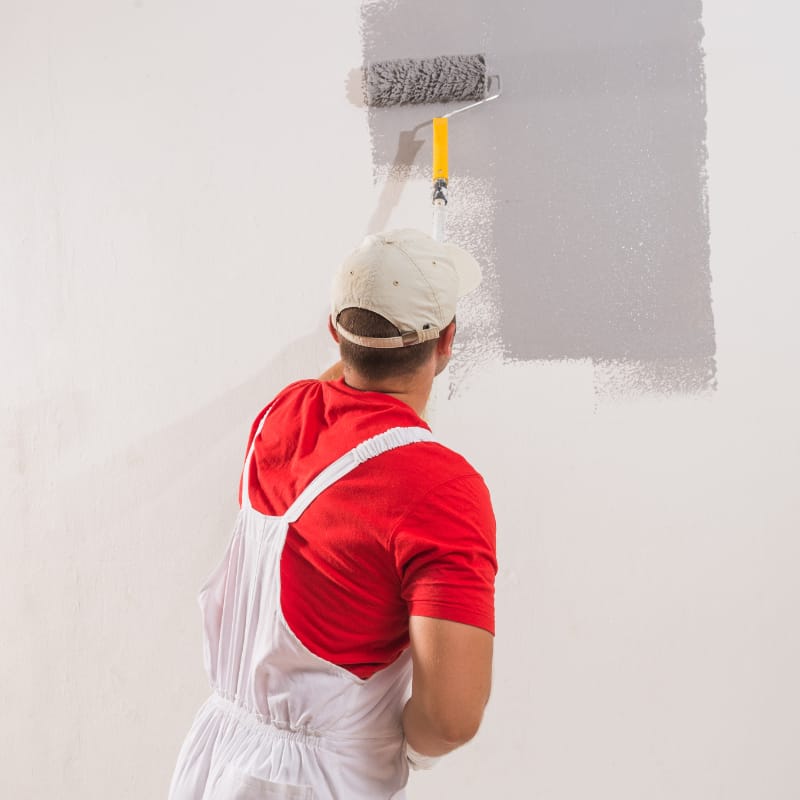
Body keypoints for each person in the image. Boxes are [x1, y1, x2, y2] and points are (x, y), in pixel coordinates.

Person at [169, 228, 497, 800]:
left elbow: (335, 383)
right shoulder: (443, 491)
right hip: (319, 785)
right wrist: (407, 748)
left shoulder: (280, 416)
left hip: (216, 763)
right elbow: (451, 719)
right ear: (448, 341)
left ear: (333, 331)